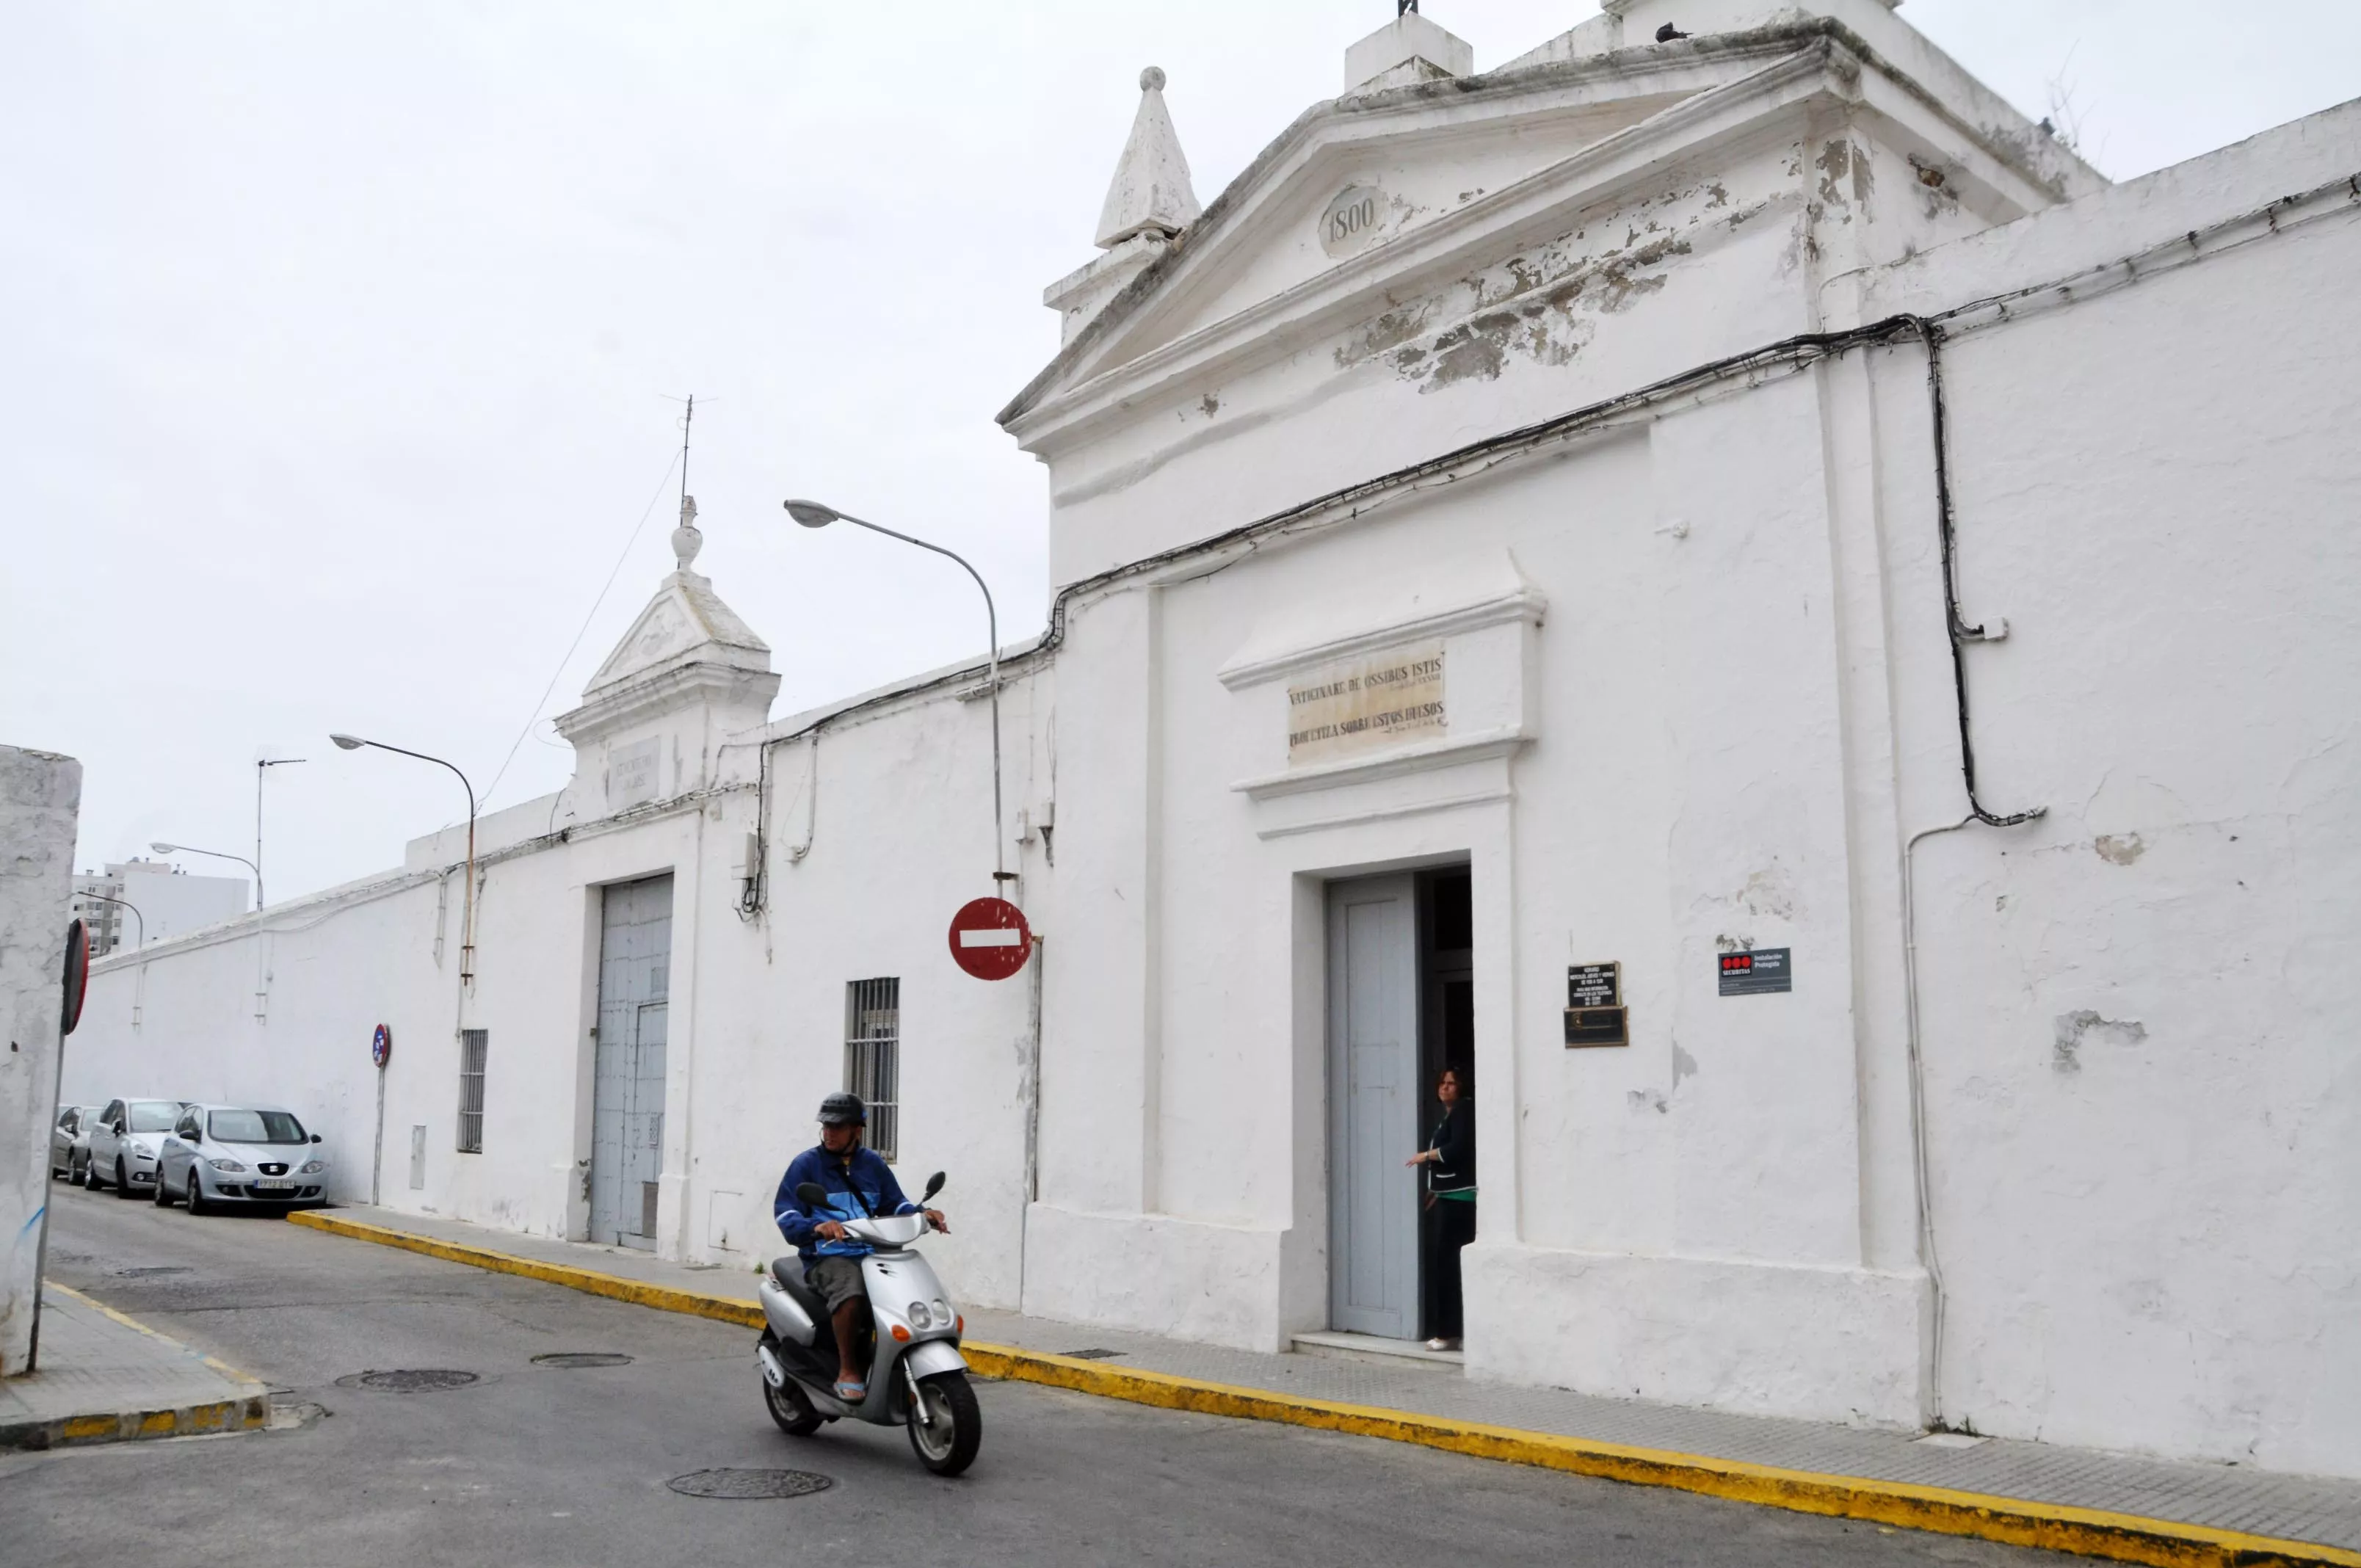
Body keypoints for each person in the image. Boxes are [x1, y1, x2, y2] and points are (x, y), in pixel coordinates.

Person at [775, 1092, 948, 1401]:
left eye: (838, 1126)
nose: (829, 1132)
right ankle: (848, 1369)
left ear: (858, 1129)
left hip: (873, 1254)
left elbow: (895, 1203)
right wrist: (817, 1227)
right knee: (851, 1292)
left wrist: (923, 1214)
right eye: (826, 1126)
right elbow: (786, 1214)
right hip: (828, 1257)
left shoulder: (872, 1165)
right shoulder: (806, 1166)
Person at [1404, 1066, 1475, 1351]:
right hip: (1449, 1196)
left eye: (1452, 1084)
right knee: (1445, 1265)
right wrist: (1436, 1189)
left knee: (1448, 1267)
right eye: (1443, 1083)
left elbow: (1459, 1148)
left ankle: (1447, 1333)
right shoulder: (1451, 1115)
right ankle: (1450, 1331)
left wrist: (1426, 1155)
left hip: (1461, 1201)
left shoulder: (1463, 1112)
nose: (1445, 1088)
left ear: (1462, 1088)